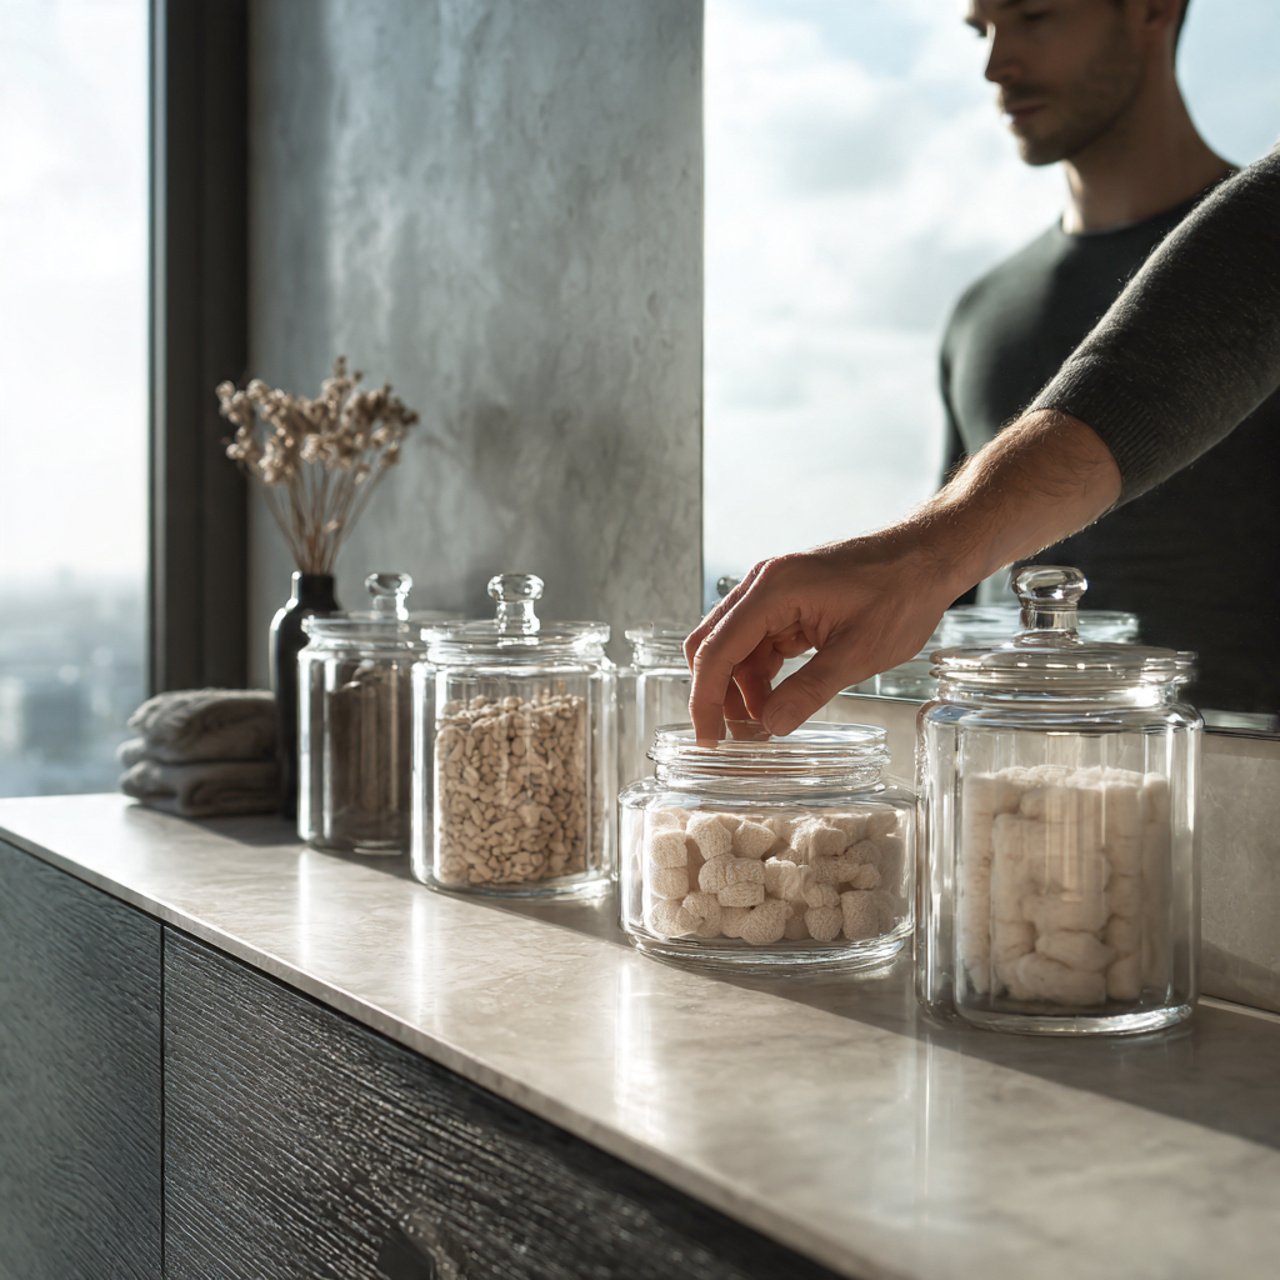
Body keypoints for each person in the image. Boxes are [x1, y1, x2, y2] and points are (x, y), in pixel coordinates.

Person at [685, 144, 1280, 744]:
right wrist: (924, 562)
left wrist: (923, 556)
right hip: (1006, 761)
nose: (998, 86)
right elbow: (955, 595)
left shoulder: (1246, 249)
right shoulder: (984, 309)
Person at [940, 0, 1280, 711]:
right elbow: (956, 593)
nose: (996, 65)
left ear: (1152, 10)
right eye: (981, 31)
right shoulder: (980, 315)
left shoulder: (1268, 269)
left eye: (1035, 16)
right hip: (1016, 768)